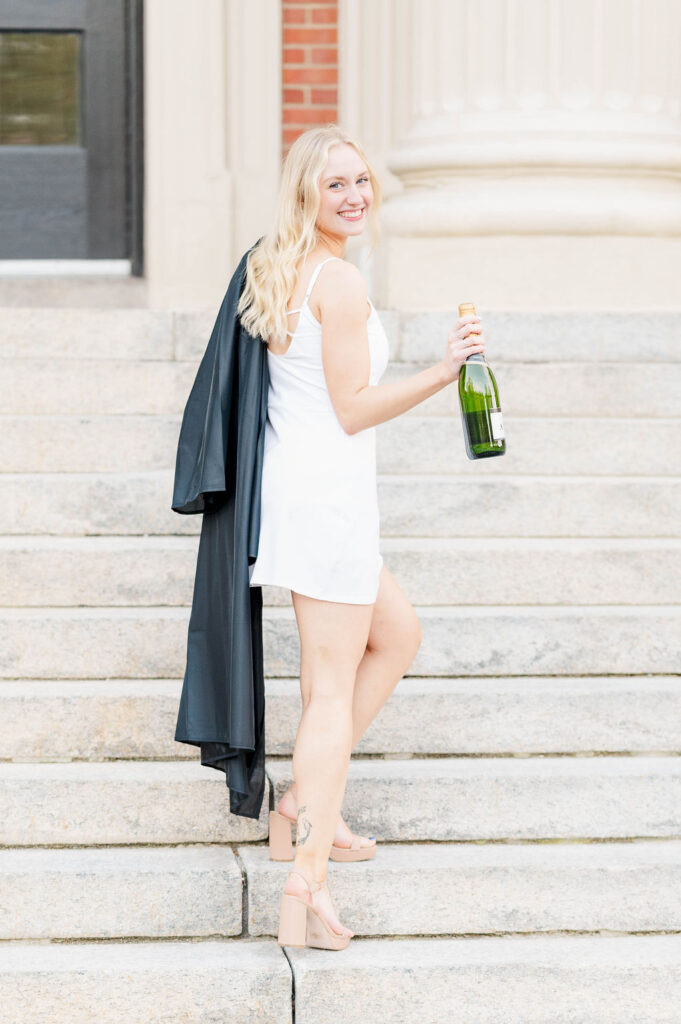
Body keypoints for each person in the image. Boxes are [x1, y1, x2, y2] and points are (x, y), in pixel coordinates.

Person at [237, 124, 487, 950]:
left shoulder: (281, 266)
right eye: (334, 184)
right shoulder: (336, 282)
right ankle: (307, 876)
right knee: (331, 690)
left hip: (308, 501)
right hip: (329, 505)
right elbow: (351, 408)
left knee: (397, 634)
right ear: (305, 195)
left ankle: (297, 809)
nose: (353, 195)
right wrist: (441, 371)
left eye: (361, 181)